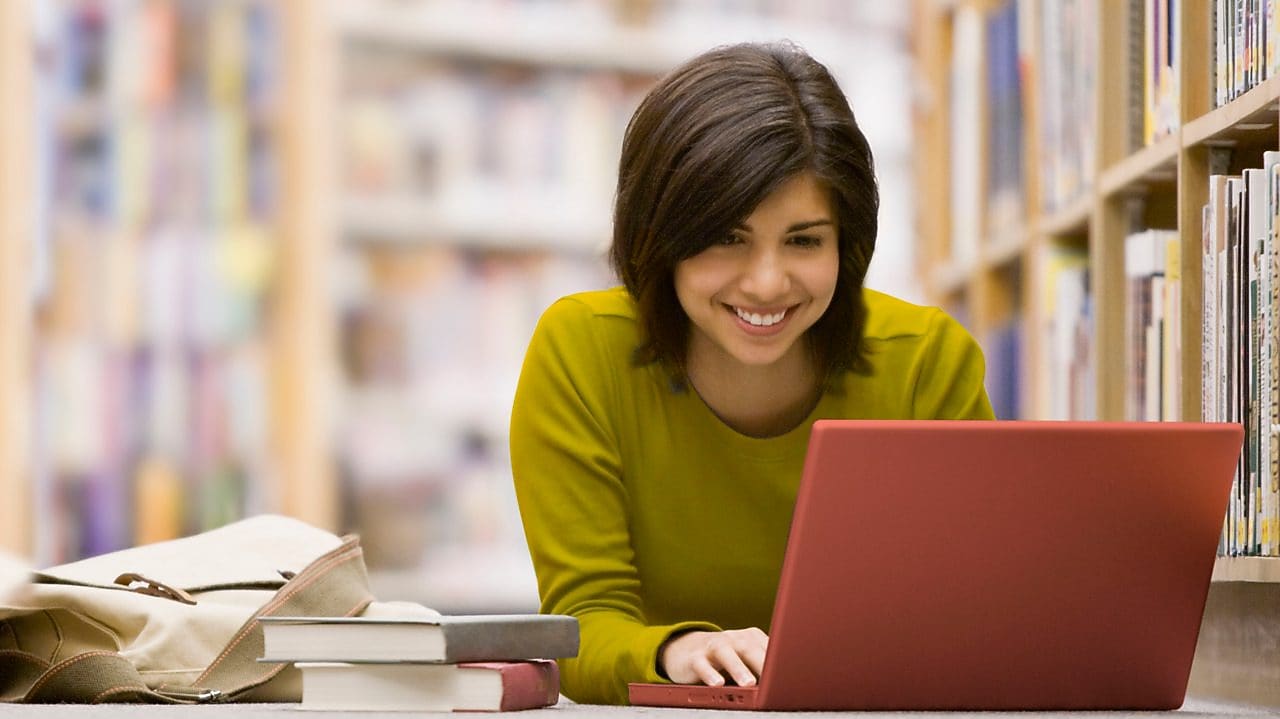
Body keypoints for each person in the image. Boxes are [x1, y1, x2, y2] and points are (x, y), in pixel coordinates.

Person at [509, 41, 994, 705]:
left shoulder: (928, 360)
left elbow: (978, 613)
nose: (767, 283)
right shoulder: (580, 349)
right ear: (660, 235)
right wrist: (677, 649)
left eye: (804, 240)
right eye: (727, 238)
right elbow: (581, 626)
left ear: (846, 244)